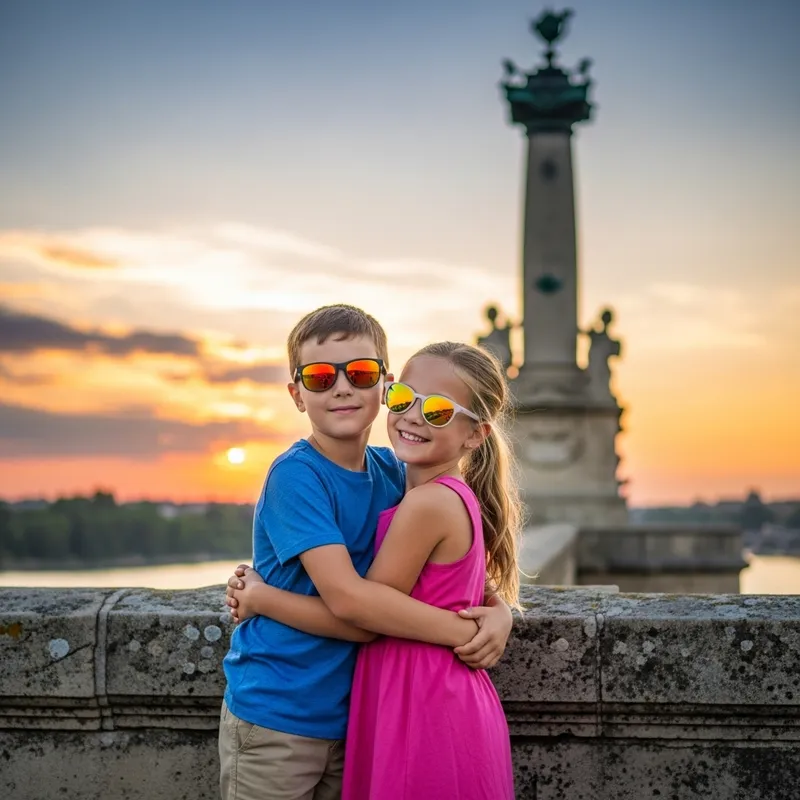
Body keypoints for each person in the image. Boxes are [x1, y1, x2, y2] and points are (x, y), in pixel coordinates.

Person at [219, 305, 513, 800]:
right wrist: (464, 630)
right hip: (280, 713)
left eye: (359, 373)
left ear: (383, 384)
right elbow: (356, 607)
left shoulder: (395, 473)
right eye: (318, 377)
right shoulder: (298, 476)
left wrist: (498, 612)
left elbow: (447, 578)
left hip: (357, 716)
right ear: (296, 395)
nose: (341, 388)